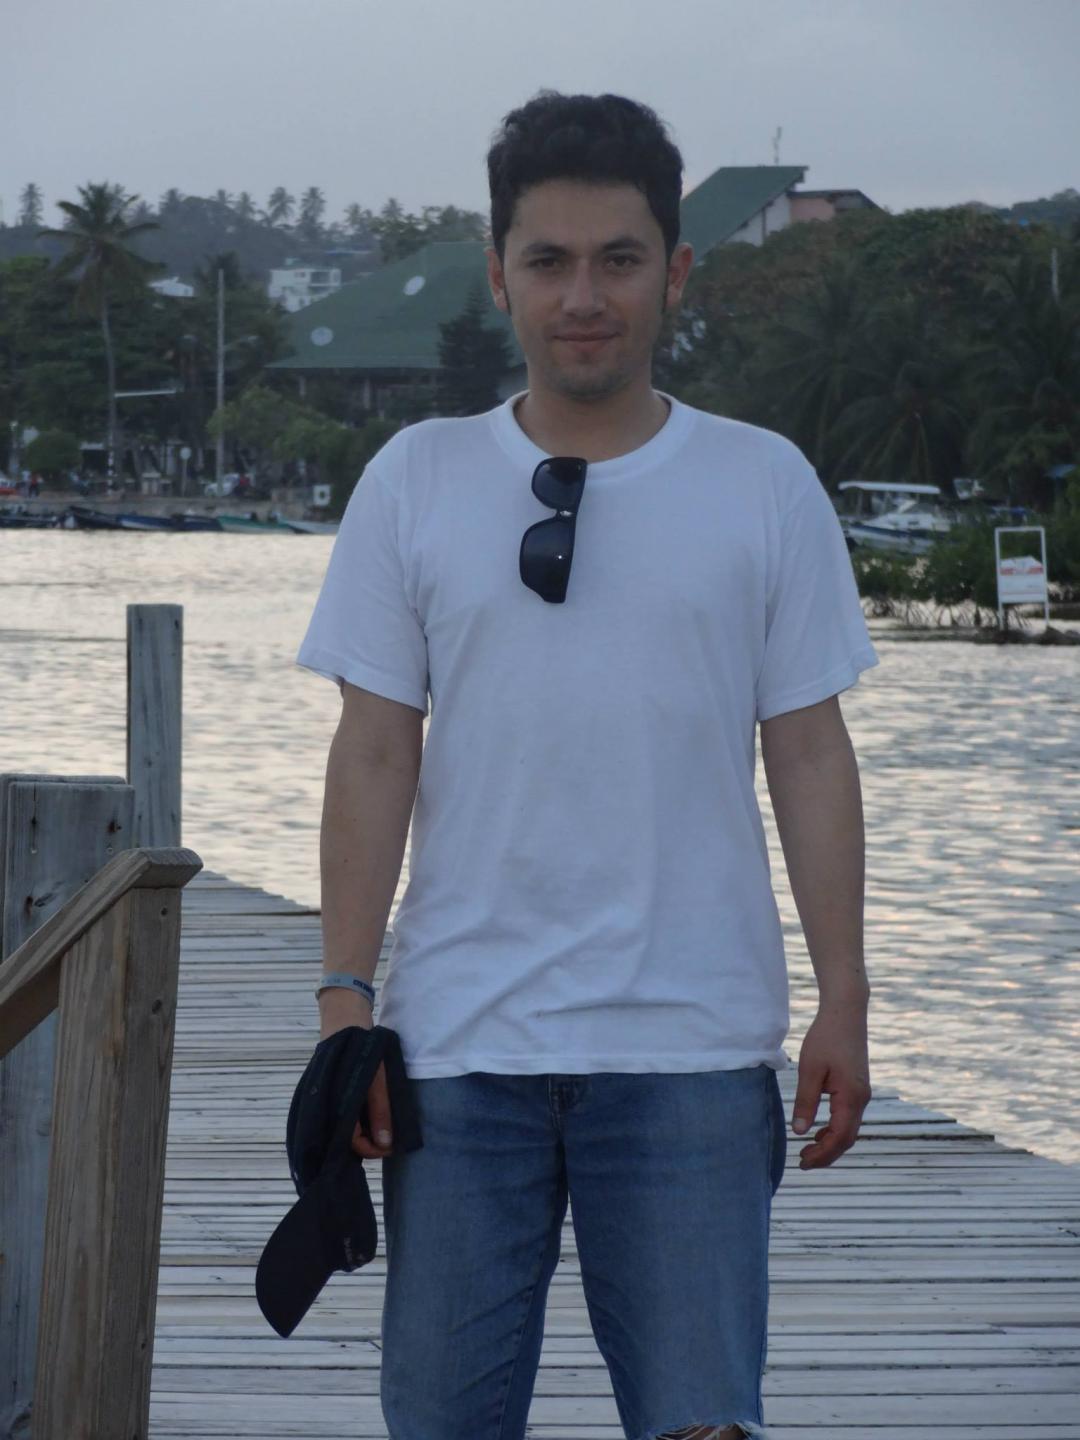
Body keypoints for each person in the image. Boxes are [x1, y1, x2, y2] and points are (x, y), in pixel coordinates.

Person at [296, 90, 877, 1440]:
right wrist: (343, 1004)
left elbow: (808, 752)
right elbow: (373, 753)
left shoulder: (763, 483)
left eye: (619, 259)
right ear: (498, 274)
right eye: (548, 260)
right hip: (457, 1050)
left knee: (700, 1423)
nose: (584, 296)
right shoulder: (417, 478)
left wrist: (844, 995)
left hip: (693, 1047)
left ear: (676, 272)